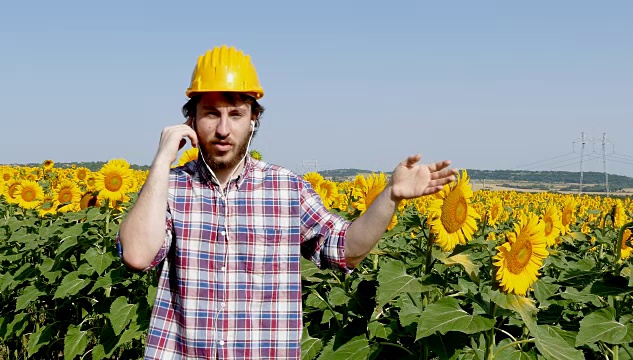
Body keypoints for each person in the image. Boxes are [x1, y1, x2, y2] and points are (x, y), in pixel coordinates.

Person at [116, 45, 458, 359]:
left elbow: (344, 250)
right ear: (190, 121)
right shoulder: (171, 187)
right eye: (210, 113)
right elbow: (137, 255)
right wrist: (162, 161)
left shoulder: (286, 188)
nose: (223, 129)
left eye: (235, 114)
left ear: (253, 120)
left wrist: (391, 196)